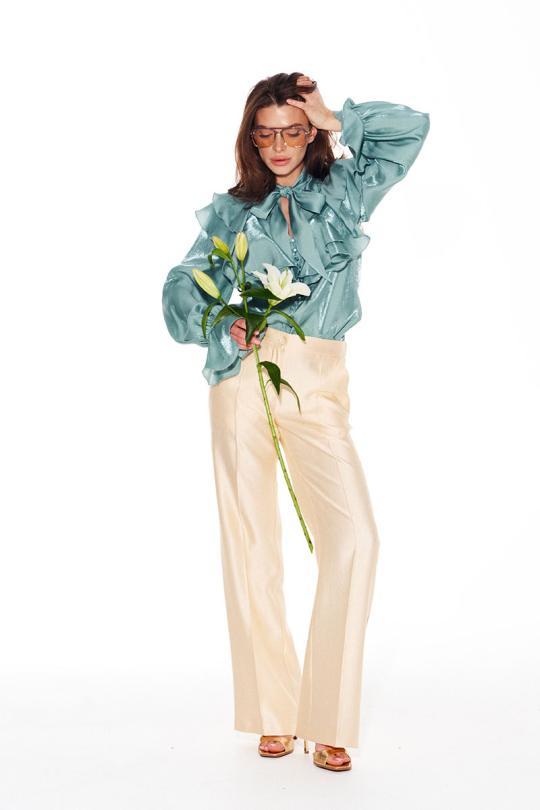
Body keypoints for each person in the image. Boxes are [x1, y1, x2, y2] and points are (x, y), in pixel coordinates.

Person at [162, 73, 430, 772]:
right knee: (250, 539)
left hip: (317, 376)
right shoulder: (232, 213)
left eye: (293, 129)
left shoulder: (345, 190)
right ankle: (272, 713)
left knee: (356, 539)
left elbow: (411, 130)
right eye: (266, 132)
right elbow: (180, 285)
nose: (279, 145)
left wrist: (335, 115)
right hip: (242, 376)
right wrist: (223, 320)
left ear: (310, 132)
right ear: (250, 139)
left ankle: (328, 717)